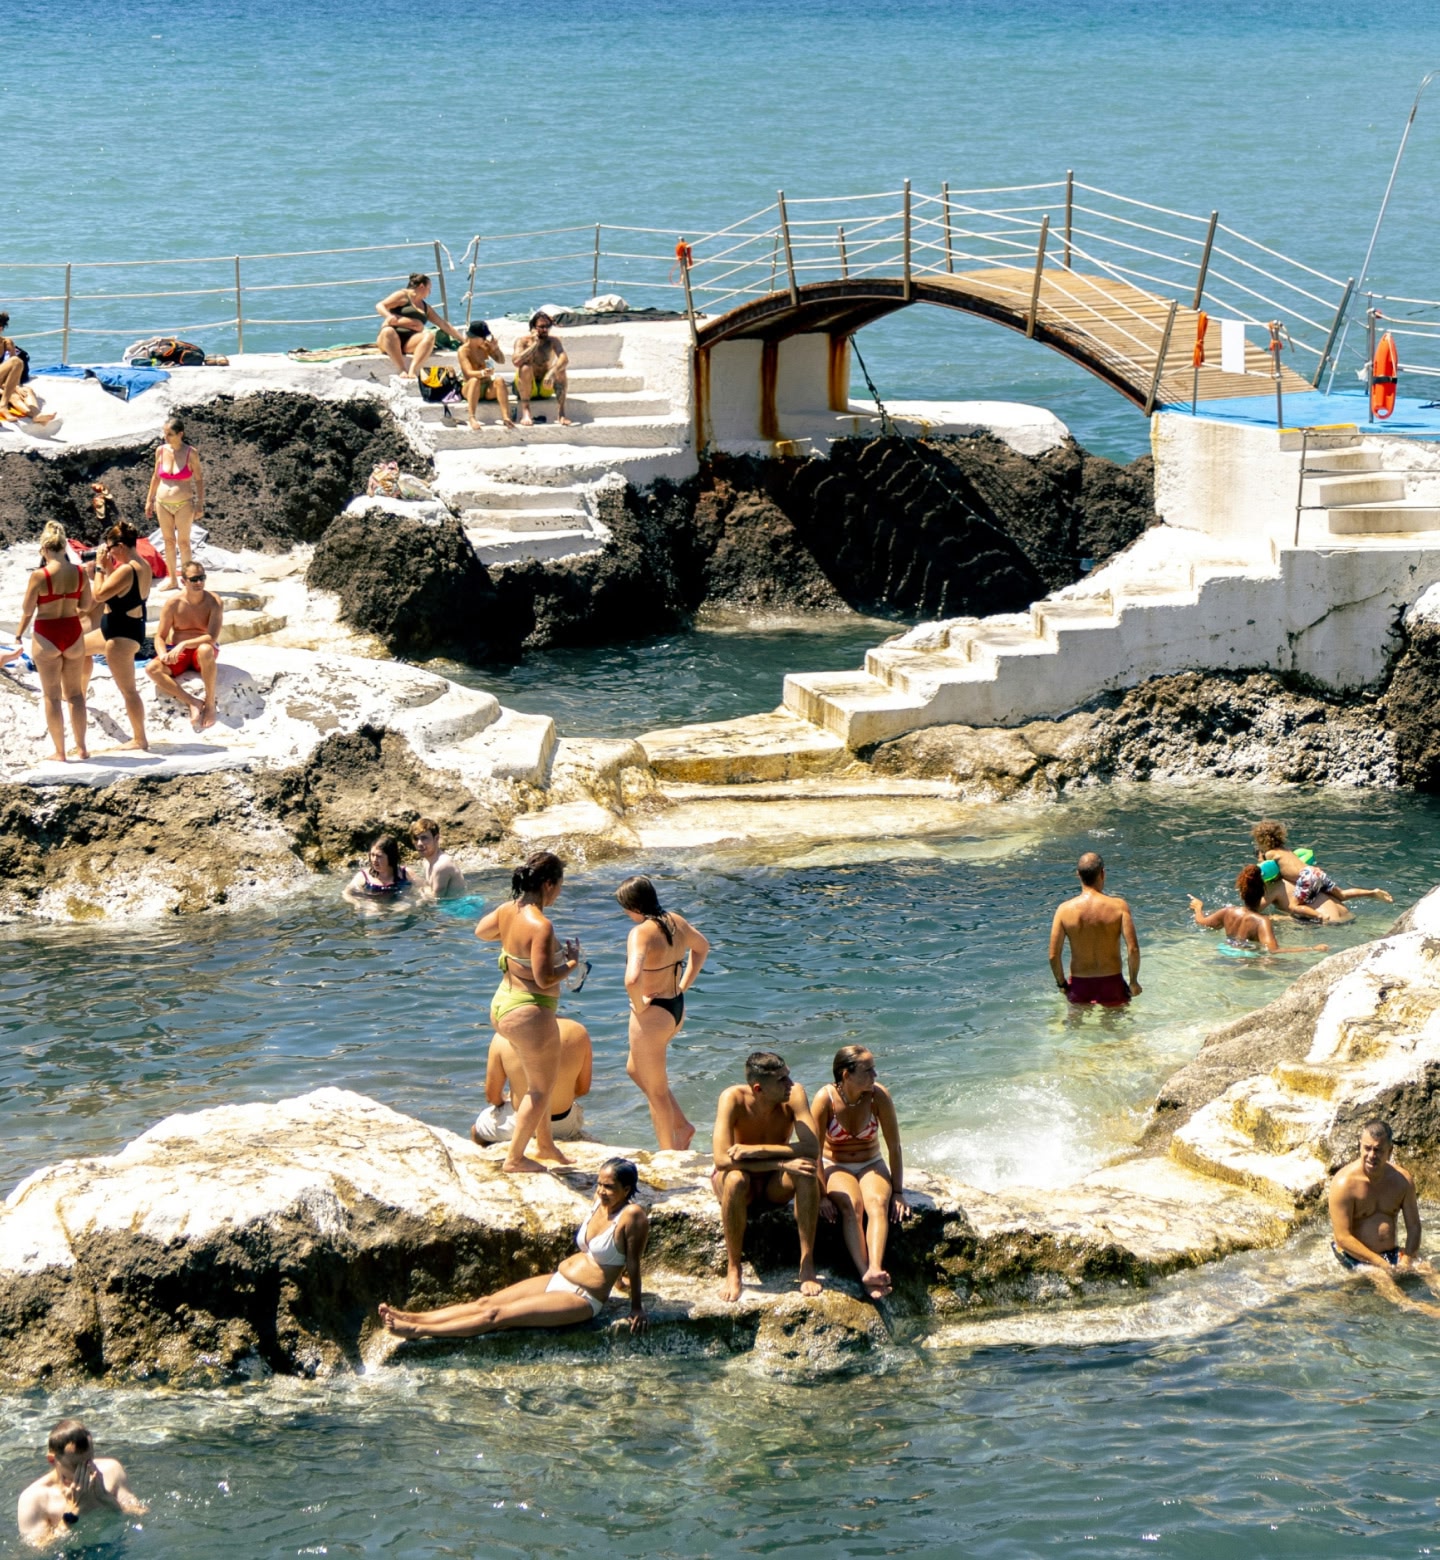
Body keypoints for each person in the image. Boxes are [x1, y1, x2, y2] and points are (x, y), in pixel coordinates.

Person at [379, 1158, 648, 1337]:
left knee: (497, 1316)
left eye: (609, 1187)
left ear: (627, 1189)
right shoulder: (599, 1203)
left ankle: (418, 1331)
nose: (600, 1190)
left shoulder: (632, 1215)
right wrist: (619, 1281)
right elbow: (605, 1254)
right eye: (599, 1183)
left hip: (583, 1298)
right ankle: (414, 1317)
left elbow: (634, 1261)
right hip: (558, 1279)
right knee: (485, 1302)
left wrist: (635, 1306)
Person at [476, 851, 584, 1173]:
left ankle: (546, 1145)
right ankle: (514, 1158)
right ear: (548, 884)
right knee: (540, 1090)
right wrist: (571, 963)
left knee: (538, 1083)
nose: (560, 892)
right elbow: (545, 977)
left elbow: (481, 932)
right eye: (560, 885)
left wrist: (512, 949)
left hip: (502, 1004)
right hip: (529, 1013)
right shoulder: (542, 924)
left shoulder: (509, 909)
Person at [712, 1050, 823, 1302]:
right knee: (735, 1179)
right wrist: (782, 1162)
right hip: (742, 1180)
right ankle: (734, 1269)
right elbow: (721, 1161)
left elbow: (811, 1148)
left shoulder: (795, 1096)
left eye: (788, 1076)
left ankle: (807, 1263)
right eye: (782, 1080)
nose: (790, 1084)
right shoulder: (732, 1098)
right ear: (759, 1088)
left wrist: (759, 1151)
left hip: (774, 1181)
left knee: (806, 1170)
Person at [618, 874, 710, 1152]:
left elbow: (632, 980)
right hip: (675, 1007)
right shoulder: (675, 921)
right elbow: (702, 947)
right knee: (635, 1070)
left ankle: (668, 1154)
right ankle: (682, 1125)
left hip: (652, 1017)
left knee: (656, 1092)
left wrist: (639, 1004)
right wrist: (683, 985)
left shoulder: (640, 933)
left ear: (633, 906)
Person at [813, 1046, 910, 1301]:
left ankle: (876, 1268)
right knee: (850, 1204)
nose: (875, 1075)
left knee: (878, 1203)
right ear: (846, 1074)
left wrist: (898, 1192)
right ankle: (865, 1273)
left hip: (871, 1163)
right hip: (836, 1164)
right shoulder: (825, 1099)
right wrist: (822, 1195)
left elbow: (894, 1147)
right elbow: (813, 1153)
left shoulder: (879, 1097)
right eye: (868, 1070)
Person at [15, 522, 93, 762]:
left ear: (44, 549)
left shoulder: (40, 576)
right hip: (72, 631)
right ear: (64, 546)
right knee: (76, 695)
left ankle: (60, 752)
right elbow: (86, 606)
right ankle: (82, 748)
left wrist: (19, 634)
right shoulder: (80, 572)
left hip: (47, 633)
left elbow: (27, 609)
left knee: (52, 696)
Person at [16, 1419, 146, 1547]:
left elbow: (141, 1514)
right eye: (77, 1466)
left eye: (89, 1462)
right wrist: (72, 1513)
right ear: (52, 1460)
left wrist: (105, 1498)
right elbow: (38, 1549)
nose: (87, 1471)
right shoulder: (34, 1498)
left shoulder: (112, 1470)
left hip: (114, 1546)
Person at [471, 1019, 592, 1145]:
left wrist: (507, 1099)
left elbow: (492, 1096)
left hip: (518, 1125)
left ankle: (488, 1161)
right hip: (565, 1126)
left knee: (476, 1130)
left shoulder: (503, 1036)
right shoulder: (578, 1031)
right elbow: (583, 1089)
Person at [88, 521, 153, 751]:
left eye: (110, 548)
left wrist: (98, 567)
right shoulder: (143, 565)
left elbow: (99, 594)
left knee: (129, 690)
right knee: (77, 648)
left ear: (121, 546)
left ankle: (139, 738)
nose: (110, 553)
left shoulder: (128, 568)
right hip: (118, 628)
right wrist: (107, 568)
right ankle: (76, 694)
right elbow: (120, 589)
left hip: (121, 636)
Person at [1251, 819, 1393, 925]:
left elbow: (1264, 870)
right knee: (1342, 895)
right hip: (1315, 872)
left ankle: (1319, 916)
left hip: (1306, 877)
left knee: (1294, 906)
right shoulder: (1287, 850)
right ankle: (1371, 892)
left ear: (1262, 840)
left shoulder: (1271, 854)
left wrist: (1260, 859)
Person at [1048, 851, 1141, 1006]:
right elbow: (1133, 950)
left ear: (1078, 874)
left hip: (1079, 984)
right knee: (1116, 1028)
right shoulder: (1119, 907)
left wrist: (1062, 984)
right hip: (1112, 982)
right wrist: (1133, 982)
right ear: (1102, 873)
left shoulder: (1064, 910)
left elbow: (1053, 955)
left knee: (1075, 1027)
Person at [147, 561, 223, 731]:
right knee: (152, 668)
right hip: (180, 653)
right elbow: (160, 636)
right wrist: (163, 653)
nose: (199, 583)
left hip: (202, 651)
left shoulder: (214, 601)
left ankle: (210, 703)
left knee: (204, 650)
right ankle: (193, 701)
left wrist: (183, 644)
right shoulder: (173, 603)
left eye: (202, 578)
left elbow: (211, 637)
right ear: (183, 581)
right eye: (194, 579)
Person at [1188, 864, 1328, 955]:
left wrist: (1198, 907)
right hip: (1248, 959)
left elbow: (1202, 922)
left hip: (1224, 951)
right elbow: (1274, 950)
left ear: (1241, 892)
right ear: (1263, 893)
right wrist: (1312, 949)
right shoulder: (1262, 921)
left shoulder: (1227, 911)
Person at [143, 418, 204, 586]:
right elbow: (155, 476)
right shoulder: (161, 451)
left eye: (169, 434)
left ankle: (187, 579)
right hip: (162, 502)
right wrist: (149, 500)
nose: (166, 437)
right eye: (164, 433)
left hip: (184, 502)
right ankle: (172, 580)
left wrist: (200, 503)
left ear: (180, 434)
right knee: (168, 541)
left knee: (184, 542)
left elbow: (198, 479)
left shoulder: (191, 453)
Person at [375, 272, 460, 380]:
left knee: (429, 336)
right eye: (429, 289)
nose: (429, 292)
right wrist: (389, 316)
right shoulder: (402, 295)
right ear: (421, 286)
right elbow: (380, 305)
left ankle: (413, 369)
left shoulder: (425, 307)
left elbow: (442, 324)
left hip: (408, 342)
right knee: (388, 331)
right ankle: (401, 368)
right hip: (389, 340)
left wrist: (462, 339)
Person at [512, 311, 571, 427]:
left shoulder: (553, 341)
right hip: (526, 387)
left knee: (560, 369)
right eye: (541, 327)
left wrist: (551, 372)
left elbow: (564, 358)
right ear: (533, 327)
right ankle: (526, 411)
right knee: (525, 367)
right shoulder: (522, 341)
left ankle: (561, 412)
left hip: (545, 385)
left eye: (548, 326)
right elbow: (516, 361)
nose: (545, 330)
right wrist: (535, 344)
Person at [457, 320, 514, 431]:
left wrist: (495, 349)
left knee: (500, 380)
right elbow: (468, 372)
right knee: (474, 380)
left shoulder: (485, 347)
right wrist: (482, 373)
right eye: (483, 337)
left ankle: (506, 417)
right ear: (474, 337)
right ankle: (472, 417)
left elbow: (501, 361)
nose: (485, 339)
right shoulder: (463, 351)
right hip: (470, 387)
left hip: (487, 387)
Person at [343, 834, 412, 903]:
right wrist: (356, 903)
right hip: (373, 905)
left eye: (379, 856)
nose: (374, 860)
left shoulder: (405, 873)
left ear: (391, 857)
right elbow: (346, 893)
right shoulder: (363, 876)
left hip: (399, 904)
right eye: (372, 855)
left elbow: (422, 888)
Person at [409, 817, 466, 900]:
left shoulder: (441, 865)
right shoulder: (427, 862)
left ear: (436, 838)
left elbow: (436, 902)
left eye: (424, 838)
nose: (419, 843)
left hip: (460, 910)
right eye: (416, 839)